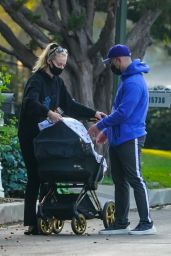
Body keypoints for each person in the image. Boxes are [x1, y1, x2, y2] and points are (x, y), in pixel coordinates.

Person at [18, 43, 105, 235]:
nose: (61, 68)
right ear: (49, 61)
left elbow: (69, 105)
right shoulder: (36, 80)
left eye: (64, 64)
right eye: (59, 64)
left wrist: (94, 114)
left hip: (48, 137)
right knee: (36, 175)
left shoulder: (57, 82)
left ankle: (46, 216)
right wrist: (48, 112)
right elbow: (30, 102)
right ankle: (32, 223)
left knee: (49, 174)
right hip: (30, 135)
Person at [88, 44, 156, 235]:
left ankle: (147, 222)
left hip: (131, 137)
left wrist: (99, 126)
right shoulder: (126, 81)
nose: (111, 66)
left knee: (135, 178)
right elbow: (118, 112)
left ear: (118, 60)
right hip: (118, 138)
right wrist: (107, 133)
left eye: (111, 63)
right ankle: (121, 222)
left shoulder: (134, 82)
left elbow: (124, 114)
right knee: (120, 181)